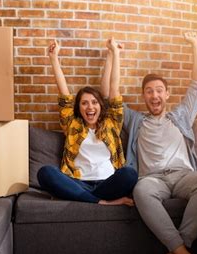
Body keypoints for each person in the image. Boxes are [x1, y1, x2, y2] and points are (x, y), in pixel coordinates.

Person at [123, 32, 197, 254]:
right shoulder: (135, 120)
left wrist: (196, 44)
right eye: (149, 91)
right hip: (153, 180)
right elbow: (110, 98)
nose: (154, 96)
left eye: (159, 91)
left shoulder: (182, 116)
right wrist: (114, 54)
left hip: (184, 176)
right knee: (140, 190)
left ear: (167, 94)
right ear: (144, 96)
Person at [37, 38, 138, 206]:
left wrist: (115, 54)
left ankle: (86, 198)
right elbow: (64, 94)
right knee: (45, 173)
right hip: (78, 182)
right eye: (84, 103)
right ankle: (102, 202)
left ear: (100, 106)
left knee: (130, 174)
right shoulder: (72, 124)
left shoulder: (111, 123)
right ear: (79, 108)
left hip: (108, 182)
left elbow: (114, 89)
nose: (89, 107)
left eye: (94, 102)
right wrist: (53, 58)